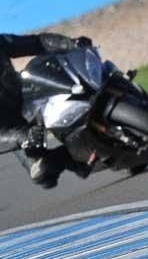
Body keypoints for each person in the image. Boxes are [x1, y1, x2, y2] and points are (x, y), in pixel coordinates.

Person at [0, 33, 92, 188]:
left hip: (28, 96)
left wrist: (69, 43)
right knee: (43, 174)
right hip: (13, 128)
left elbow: (37, 42)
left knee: (68, 79)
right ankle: (78, 157)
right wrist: (21, 137)